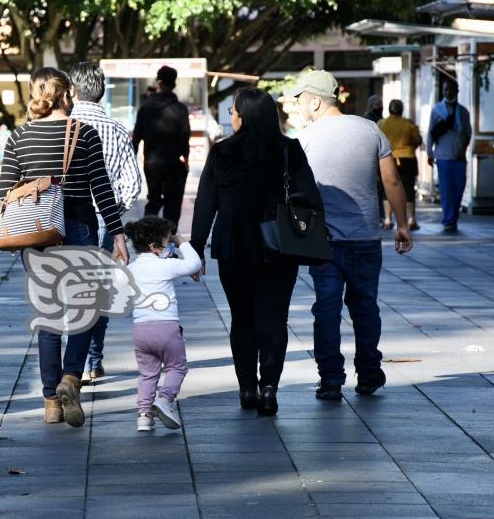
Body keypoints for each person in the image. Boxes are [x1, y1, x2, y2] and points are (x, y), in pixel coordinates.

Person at [0, 67, 130, 428]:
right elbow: (101, 187)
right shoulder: (82, 132)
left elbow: (3, 191)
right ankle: (72, 376)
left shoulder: (18, 137)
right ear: (67, 93)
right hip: (79, 228)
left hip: (37, 232)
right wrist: (117, 233)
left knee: (50, 315)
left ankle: (51, 402)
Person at [191, 88, 323, 416]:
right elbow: (312, 199)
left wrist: (196, 248)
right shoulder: (289, 150)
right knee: (274, 318)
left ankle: (247, 387)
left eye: (234, 112)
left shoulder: (222, 152)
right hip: (279, 245)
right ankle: (269, 388)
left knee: (242, 317)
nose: (232, 117)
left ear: (245, 115)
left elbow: (206, 203)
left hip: (233, 244)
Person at [292, 70, 413, 401]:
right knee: (365, 307)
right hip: (365, 238)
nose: (298, 106)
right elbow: (392, 182)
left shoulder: (304, 138)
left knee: (326, 309)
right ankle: (369, 374)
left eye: (299, 99)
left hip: (324, 242)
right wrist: (402, 223)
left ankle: (330, 380)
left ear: (315, 100)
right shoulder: (370, 129)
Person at [68, 61, 142, 381]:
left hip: (67, 216)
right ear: (101, 92)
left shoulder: (64, 126)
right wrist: (114, 211)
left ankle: (75, 362)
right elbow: (133, 182)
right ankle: (92, 361)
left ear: (72, 91)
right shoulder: (116, 129)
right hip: (105, 219)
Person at [125, 216, 201, 431]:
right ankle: (165, 399)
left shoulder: (132, 268)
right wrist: (182, 241)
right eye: (167, 241)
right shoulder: (165, 266)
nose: (170, 245)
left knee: (148, 374)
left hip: (141, 331)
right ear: (154, 247)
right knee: (177, 366)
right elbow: (194, 263)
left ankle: (144, 416)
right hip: (166, 328)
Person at [132, 65, 191, 227]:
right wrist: (185, 160)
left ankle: (146, 237)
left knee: (153, 199)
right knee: (173, 203)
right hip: (173, 163)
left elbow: (136, 137)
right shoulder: (180, 109)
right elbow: (185, 136)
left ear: (158, 83)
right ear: (174, 84)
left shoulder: (146, 107)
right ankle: (169, 240)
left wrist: (131, 163)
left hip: (152, 164)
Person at [426, 80, 472, 232]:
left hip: (459, 156)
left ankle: (454, 216)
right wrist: (429, 153)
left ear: (456, 91)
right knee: (446, 190)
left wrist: (464, 148)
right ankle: (448, 220)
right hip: (443, 156)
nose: (447, 92)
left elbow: (467, 133)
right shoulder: (437, 110)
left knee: (459, 188)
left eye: (450, 90)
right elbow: (431, 132)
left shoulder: (463, 111)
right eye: (445, 90)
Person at [378, 100, 423, 230]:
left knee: (387, 189)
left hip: (387, 159)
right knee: (409, 189)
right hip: (407, 159)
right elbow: (417, 139)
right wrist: (411, 147)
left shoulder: (382, 123)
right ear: (402, 109)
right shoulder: (408, 124)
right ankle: (412, 220)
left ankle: (387, 219)